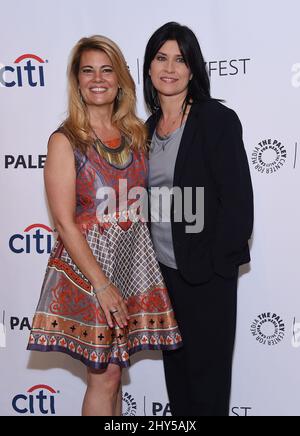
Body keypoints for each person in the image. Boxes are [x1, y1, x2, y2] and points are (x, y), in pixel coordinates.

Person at [27, 35, 182, 417]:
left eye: (106, 69)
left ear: (120, 79)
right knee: (105, 376)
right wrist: (102, 284)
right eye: (88, 70)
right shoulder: (66, 141)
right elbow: (64, 222)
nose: (98, 78)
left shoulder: (136, 135)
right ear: (77, 81)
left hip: (131, 265)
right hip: (90, 270)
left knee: (113, 372)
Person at [144, 22, 254, 416]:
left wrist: (208, 267)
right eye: (161, 58)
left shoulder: (215, 120)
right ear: (149, 67)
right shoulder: (146, 129)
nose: (169, 68)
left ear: (193, 69)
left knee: (207, 389)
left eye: (180, 59)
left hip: (205, 278)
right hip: (163, 277)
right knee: (178, 381)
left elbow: (238, 208)